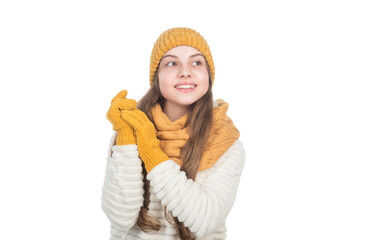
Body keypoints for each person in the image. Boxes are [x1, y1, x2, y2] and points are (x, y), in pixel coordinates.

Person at [102, 27, 246, 240]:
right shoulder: (132, 129)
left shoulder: (225, 142)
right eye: (171, 63)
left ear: (208, 75)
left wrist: (152, 152)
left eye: (197, 62)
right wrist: (125, 137)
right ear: (156, 77)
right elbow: (120, 218)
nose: (185, 71)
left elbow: (204, 220)